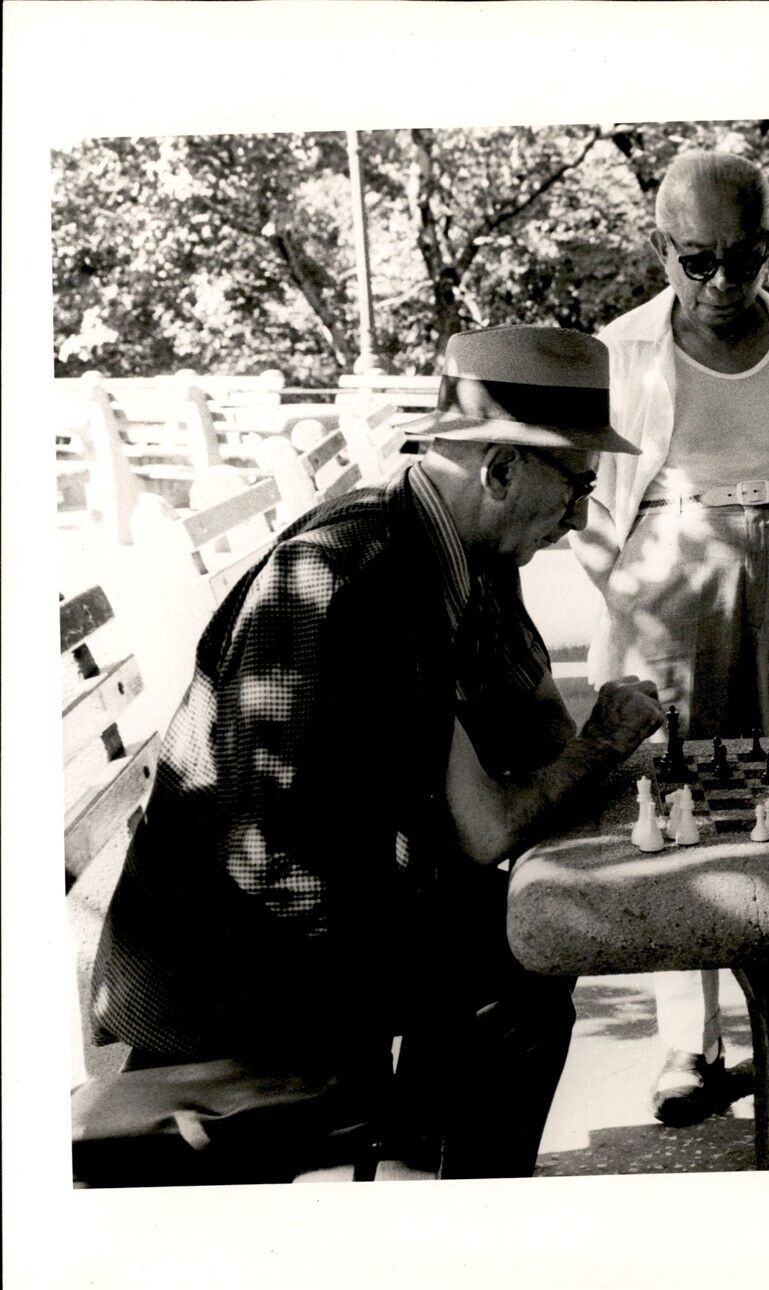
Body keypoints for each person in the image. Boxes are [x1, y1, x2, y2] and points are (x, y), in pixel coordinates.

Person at [87, 326, 664, 1180]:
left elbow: (537, 735)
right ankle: (438, 1209)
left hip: (325, 909)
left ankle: (424, 1172)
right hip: (237, 962)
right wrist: (612, 741)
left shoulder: (464, 548)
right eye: (577, 481)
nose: (583, 512)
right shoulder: (360, 574)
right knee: (523, 964)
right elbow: (491, 826)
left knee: (518, 947)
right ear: (500, 468)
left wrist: (594, 747)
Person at [568, 149, 769, 1124]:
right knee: (675, 789)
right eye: (693, 259)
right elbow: (583, 500)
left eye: (739, 259)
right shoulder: (619, 349)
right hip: (670, 586)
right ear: (661, 247)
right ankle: (685, 1045)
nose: (717, 282)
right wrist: (631, 588)